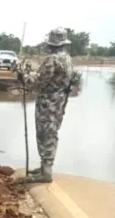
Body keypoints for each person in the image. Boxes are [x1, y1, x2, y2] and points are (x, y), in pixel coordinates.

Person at [14, 28, 80, 184]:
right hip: (60, 102)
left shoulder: (52, 60)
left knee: (45, 133)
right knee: (52, 131)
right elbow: (74, 80)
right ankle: (45, 167)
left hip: (48, 103)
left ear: (52, 45)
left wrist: (24, 77)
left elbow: (39, 83)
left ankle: (46, 171)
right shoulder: (68, 59)